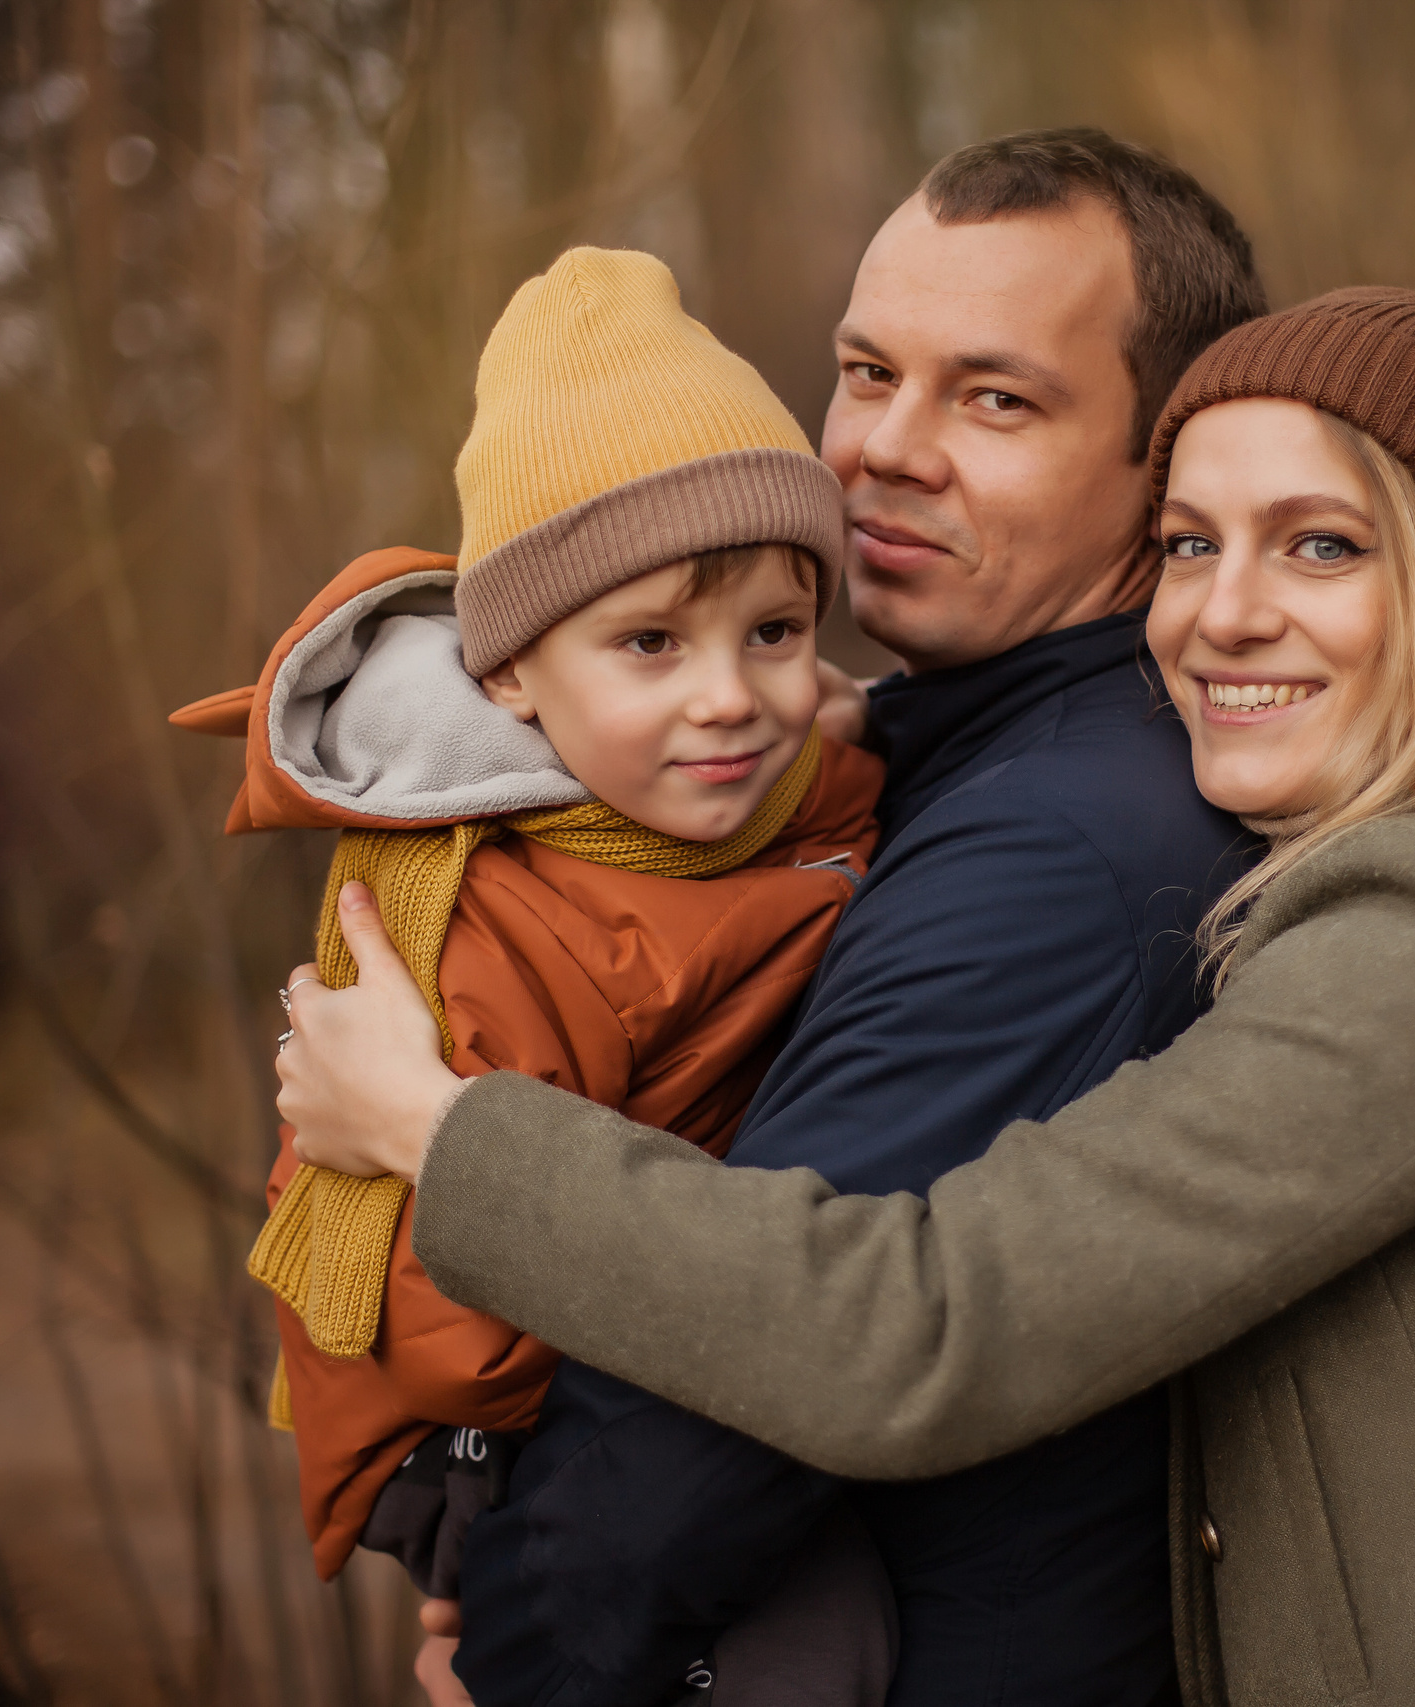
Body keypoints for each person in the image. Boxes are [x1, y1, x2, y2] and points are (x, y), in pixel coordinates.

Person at [281, 288, 1415, 1704]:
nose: (1224, 611)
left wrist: (441, 1130)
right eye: (1188, 543)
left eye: (1320, 545)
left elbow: (920, 1325)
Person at [288, 128, 1265, 1706]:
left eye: (996, 396)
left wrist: (525, 1655)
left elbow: (738, 1400)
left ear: (1172, 465)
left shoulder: (1056, 851)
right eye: (868, 371)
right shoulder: (915, 758)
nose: (885, 448)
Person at [170, 245, 894, 1705]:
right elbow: (453, 1327)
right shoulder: (501, 926)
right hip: (465, 1426)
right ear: (513, 677)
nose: (729, 697)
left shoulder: (751, 785)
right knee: (822, 1638)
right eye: (649, 643)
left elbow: (841, 802)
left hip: (592, 1335)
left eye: (774, 630)